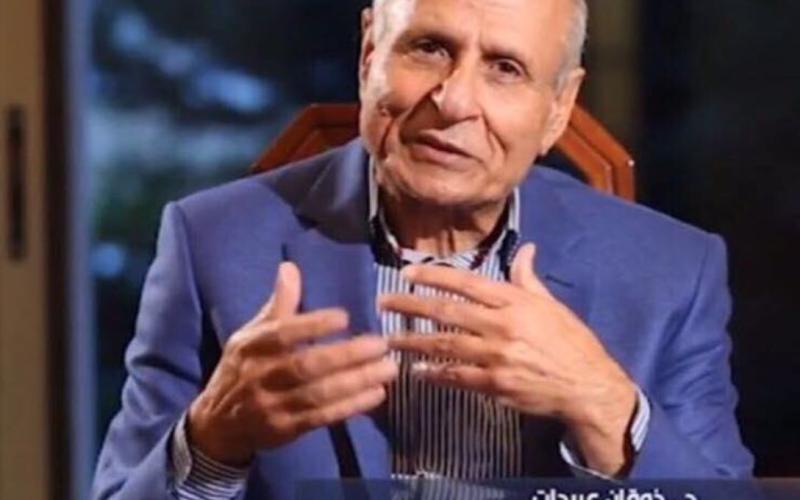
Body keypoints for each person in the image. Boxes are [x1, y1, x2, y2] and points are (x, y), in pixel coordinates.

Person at [91, 0, 754, 498]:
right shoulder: (212, 243)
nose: (455, 100)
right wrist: (213, 437)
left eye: (505, 68)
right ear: (369, 55)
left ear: (558, 108)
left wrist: (604, 405)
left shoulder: (672, 272)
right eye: (430, 49)